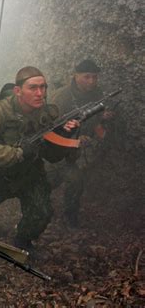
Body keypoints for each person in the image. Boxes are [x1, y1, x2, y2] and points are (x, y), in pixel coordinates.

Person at [0, 66, 80, 251]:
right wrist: (18, 153)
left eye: (43, 87)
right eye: (33, 88)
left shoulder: (48, 113)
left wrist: (66, 135)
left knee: (42, 213)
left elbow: (52, 157)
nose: (40, 93)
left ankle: (23, 242)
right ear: (18, 91)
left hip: (29, 175)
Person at [48, 59, 115, 226]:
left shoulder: (97, 94)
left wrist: (102, 119)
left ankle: (70, 217)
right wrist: (74, 141)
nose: (91, 81)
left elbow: (95, 122)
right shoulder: (61, 98)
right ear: (75, 76)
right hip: (54, 151)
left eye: (94, 77)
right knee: (48, 183)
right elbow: (48, 132)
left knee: (75, 180)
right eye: (86, 77)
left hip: (77, 150)